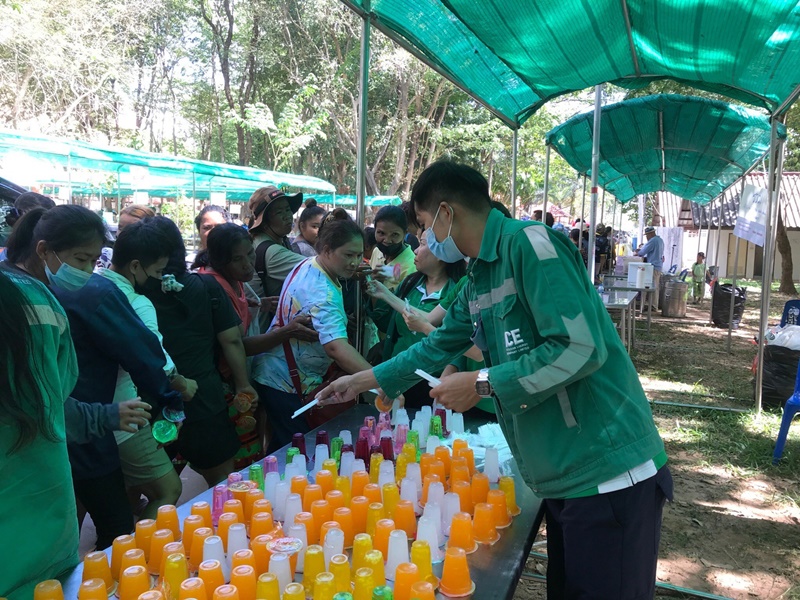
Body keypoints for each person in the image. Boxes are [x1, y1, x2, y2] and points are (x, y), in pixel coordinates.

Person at [317, 161, 672, 600]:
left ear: (447, 212)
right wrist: (363, 381)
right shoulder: (479, 278)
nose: (423, 238)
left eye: (424, 225)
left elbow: (580, 347)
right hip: (564, 474)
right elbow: (437, 345)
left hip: (607, 470)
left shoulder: (531, 245)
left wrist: (481, 382)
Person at [4, 205, 184, 549]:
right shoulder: (46, 301)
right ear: (43, 250)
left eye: (93, 260)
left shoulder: (27, 285)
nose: (88, 270)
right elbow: (43, 395)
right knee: (116, 524)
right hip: (67, 434)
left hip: (56, 437)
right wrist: (161, 404)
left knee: (63, 522)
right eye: (81, 259)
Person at [143, 216, 257, 486]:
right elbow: (231, 341)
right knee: (223, 484)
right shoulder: (206, 286)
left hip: (152, 401)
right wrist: (243, 384)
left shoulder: (135, 291)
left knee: (153, 488)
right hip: (204, 399)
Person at [251, 214, 375, 452]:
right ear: (327, 250)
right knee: (296, 452)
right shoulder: (321, 293)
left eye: (359, 255)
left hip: (280, 374)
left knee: (283, 447)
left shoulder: (311, 264)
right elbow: (336, 347)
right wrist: (377, 378)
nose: (355, 262)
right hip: (285, 383)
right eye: (348, 255)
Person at [197, 223, 317, 467]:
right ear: (219, 261)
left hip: (233, 378)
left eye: (250, 254)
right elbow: (238, 345)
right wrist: (288, 331)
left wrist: (257, 303)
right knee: (239, 455)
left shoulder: (235, 280)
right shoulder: (214, 287)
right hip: (222, 383)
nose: (248, 264)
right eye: (237, 259)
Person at [102, 219, 199, 518]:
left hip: (91, 410)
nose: (159, 279)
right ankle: (138, 546)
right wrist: (183, 386)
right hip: (125, 412)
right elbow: (157, 361)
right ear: (135, 266)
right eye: (156, 272)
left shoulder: (93, 285)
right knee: (168, 490)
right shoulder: (136, 302)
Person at [365, 234, 465, 408]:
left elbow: (430, 321)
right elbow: (387, 323)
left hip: (434, 381)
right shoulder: (410, 283)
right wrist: (377, 294)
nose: (416, 250)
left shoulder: (458, 290)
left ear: (441, 253)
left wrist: (387, 295)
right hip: (400, 374)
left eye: (422, 244)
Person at [368, 205, 417, 291]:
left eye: (394, 234)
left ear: (405, 234)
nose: (387, 240)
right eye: (381, 233)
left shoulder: (412, 266)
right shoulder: (377, 252)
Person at [96, 204, 156, 270]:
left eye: (130, 229)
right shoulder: (104, 257)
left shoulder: (155, 265)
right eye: (120, 227)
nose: (121, 234)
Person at [637, 226, 664, 309]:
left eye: (647, 235)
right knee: (655, 286)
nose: (647, 237)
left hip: (653, 267)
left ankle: (651, 306)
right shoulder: (660, 240)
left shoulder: (653, 241)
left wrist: (638, 251)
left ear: (651, 234)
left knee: (648, 286)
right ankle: (653, 305)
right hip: (658, 266)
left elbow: (642, 252)